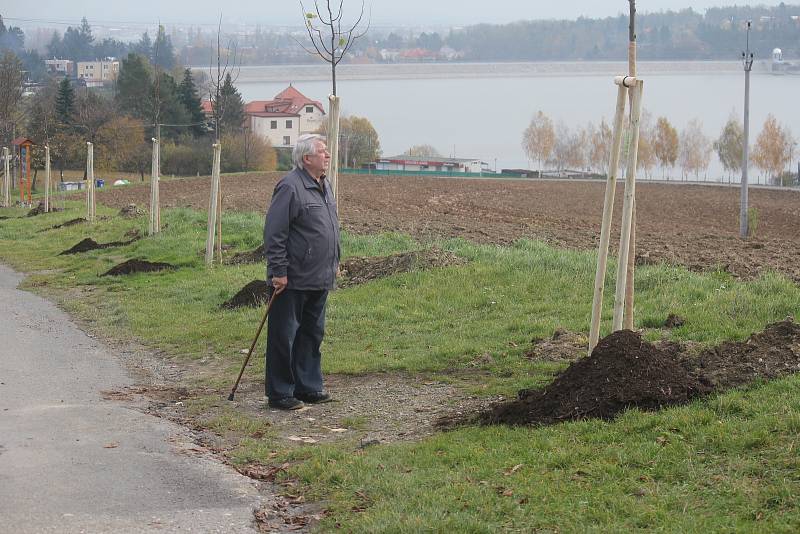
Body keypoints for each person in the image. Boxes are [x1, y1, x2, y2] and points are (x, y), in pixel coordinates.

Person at [263, 134, 340, 410]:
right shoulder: (290, 187)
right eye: (322, 152)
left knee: (311, 334)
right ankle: (280, 392)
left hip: (319, 275)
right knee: (284, 336)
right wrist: (278, 271)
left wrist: (334, 261)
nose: (328, 155)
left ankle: (307, 387)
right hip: (292, 278)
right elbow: (275, 232)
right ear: (307, 158)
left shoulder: (324, 185)